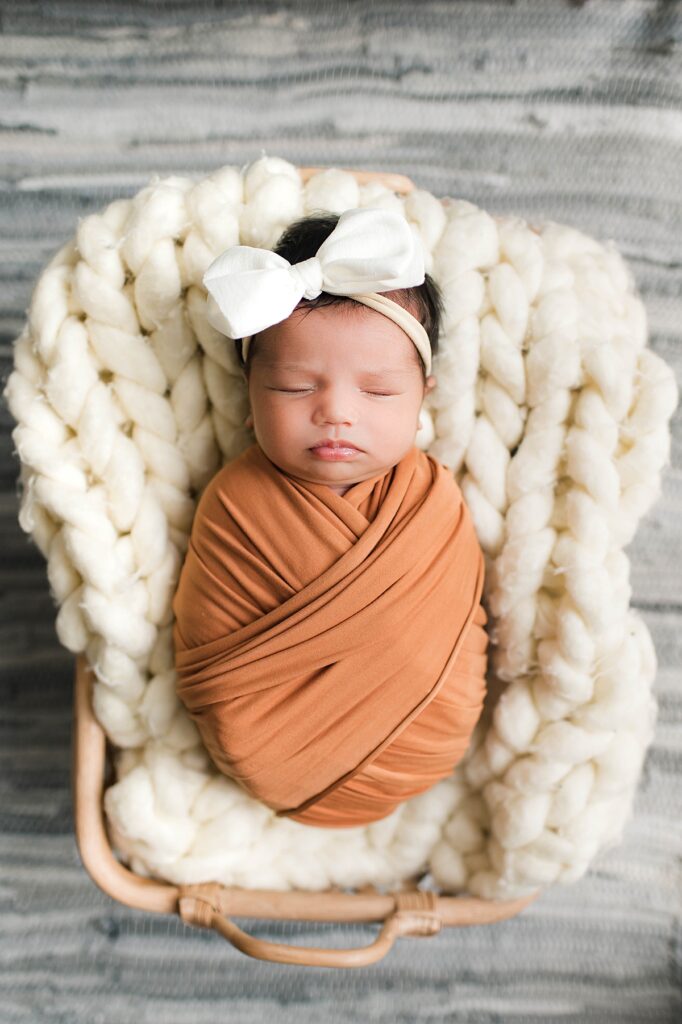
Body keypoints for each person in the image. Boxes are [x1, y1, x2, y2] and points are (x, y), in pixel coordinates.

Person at [172, 206, 489, 828]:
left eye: (377, 391)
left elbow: (460, 617)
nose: (337, 412)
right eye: (294, 388)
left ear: (423, 398)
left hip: (421, 742)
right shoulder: (236, 504)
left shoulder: (431, 500)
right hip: (262, 750)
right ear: (250, 395)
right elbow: (211, 641)